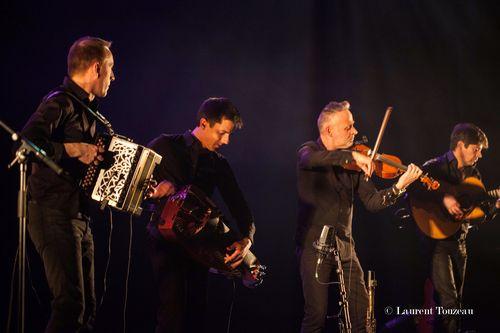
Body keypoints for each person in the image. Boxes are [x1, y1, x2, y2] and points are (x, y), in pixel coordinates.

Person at [296, 100, 423, 333]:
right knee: (316, 316)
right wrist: (351, 157)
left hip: (345, 245)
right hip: (314, 246)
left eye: (353, 125)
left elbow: (373, 202)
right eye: (348, 127)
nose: (355, 131)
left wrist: (399, 186)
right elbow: (311, 160)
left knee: (361, 315)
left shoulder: (357, 161)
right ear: (328, 130)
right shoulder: (309, 151)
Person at [20, 36, 115, 332]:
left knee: (86, 309)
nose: (114, 77)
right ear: (97, 68)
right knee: (70, 304)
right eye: (111, 69)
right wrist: (73, 149)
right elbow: (27, 144)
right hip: (52, 212)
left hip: (77, 215)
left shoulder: (88, 110)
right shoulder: (59, 102)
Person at [146, 97, 256, 333]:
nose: (226, 140)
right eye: (221, 133)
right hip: (166, 243)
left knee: (197, 314)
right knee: (171, 316)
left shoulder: (219, 164)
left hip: (199, 248)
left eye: (229, 134)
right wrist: (154, 191)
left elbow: (241, 209)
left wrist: (247, 239)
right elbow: (135, 186)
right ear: (204, 123)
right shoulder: (164, 145)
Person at [409, 123, 499, 333]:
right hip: (437, 243)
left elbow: (473, 218)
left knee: (456, 302)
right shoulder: (434, 167)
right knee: (449, 301)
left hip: (460, 244)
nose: (479, 155)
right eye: (476, 149)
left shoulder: (474, 175)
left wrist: (494, 207)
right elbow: (413, 191)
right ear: (461, 145)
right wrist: (444, 198)